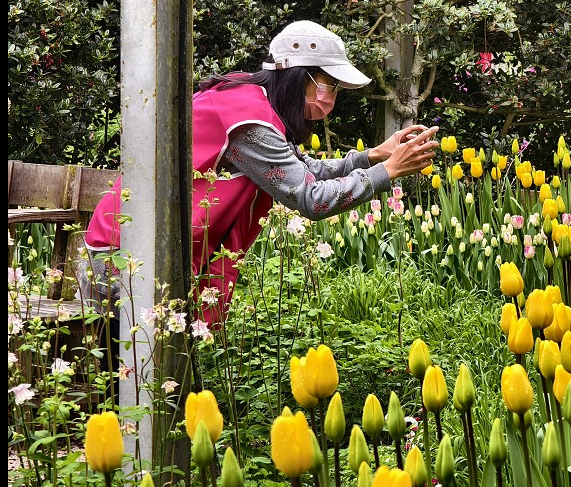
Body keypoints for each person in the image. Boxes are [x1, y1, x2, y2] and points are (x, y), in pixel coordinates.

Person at [83, 20, 439, 325]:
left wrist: (375, 156)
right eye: (329, 85)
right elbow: (310, 199)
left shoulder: (252, 103)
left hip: (143, 256)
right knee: (144, 384)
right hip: (126, 264)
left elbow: (305, 170)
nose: (332, 98)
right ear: (299, 78)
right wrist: (388, 171)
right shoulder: (249, 124)